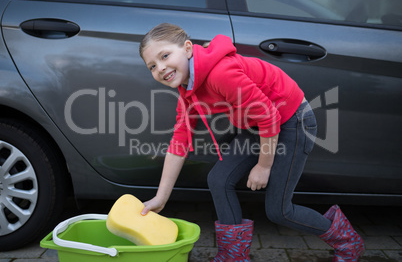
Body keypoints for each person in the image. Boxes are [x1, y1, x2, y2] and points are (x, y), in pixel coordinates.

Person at [139, 23, 365, 262]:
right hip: (257, 124)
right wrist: (161, 198)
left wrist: (263, 166)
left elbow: (269, 115)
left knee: (279, 211)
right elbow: (179, 142)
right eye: (152, 66)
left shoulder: (220, 73)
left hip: (292, 121)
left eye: (165, 56)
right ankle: (233, 256)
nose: (161, 68)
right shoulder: (188, 91)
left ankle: (347, 241)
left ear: (187, 48)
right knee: (218, 179)